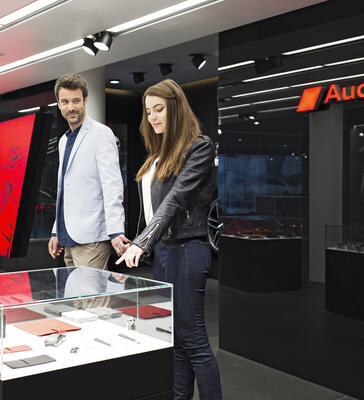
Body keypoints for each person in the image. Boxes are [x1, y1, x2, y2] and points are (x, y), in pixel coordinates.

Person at [116, 79, 222, 400]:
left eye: (159, 109)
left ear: (175, 108)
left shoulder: (199, 147)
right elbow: (153, 209)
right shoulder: (159, 154)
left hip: (187, 249)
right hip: (164, 252)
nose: (152, 117)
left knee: (193, 339)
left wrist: (143, 241)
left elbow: (176, 198)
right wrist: (138, 239)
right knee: (173, 337)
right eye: (148, 111)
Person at [48, 73, 130, 269]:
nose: (71, 107)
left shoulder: (101, 134)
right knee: (75, 290)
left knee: (90, 290)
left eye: (76, 101)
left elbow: (112, 185)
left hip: (92, 238)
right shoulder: (63, 141)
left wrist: (116, 230)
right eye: (65, 102)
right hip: (67, 237)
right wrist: (56, 231)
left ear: (85, 101)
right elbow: (64, 191)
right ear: (58, 104)